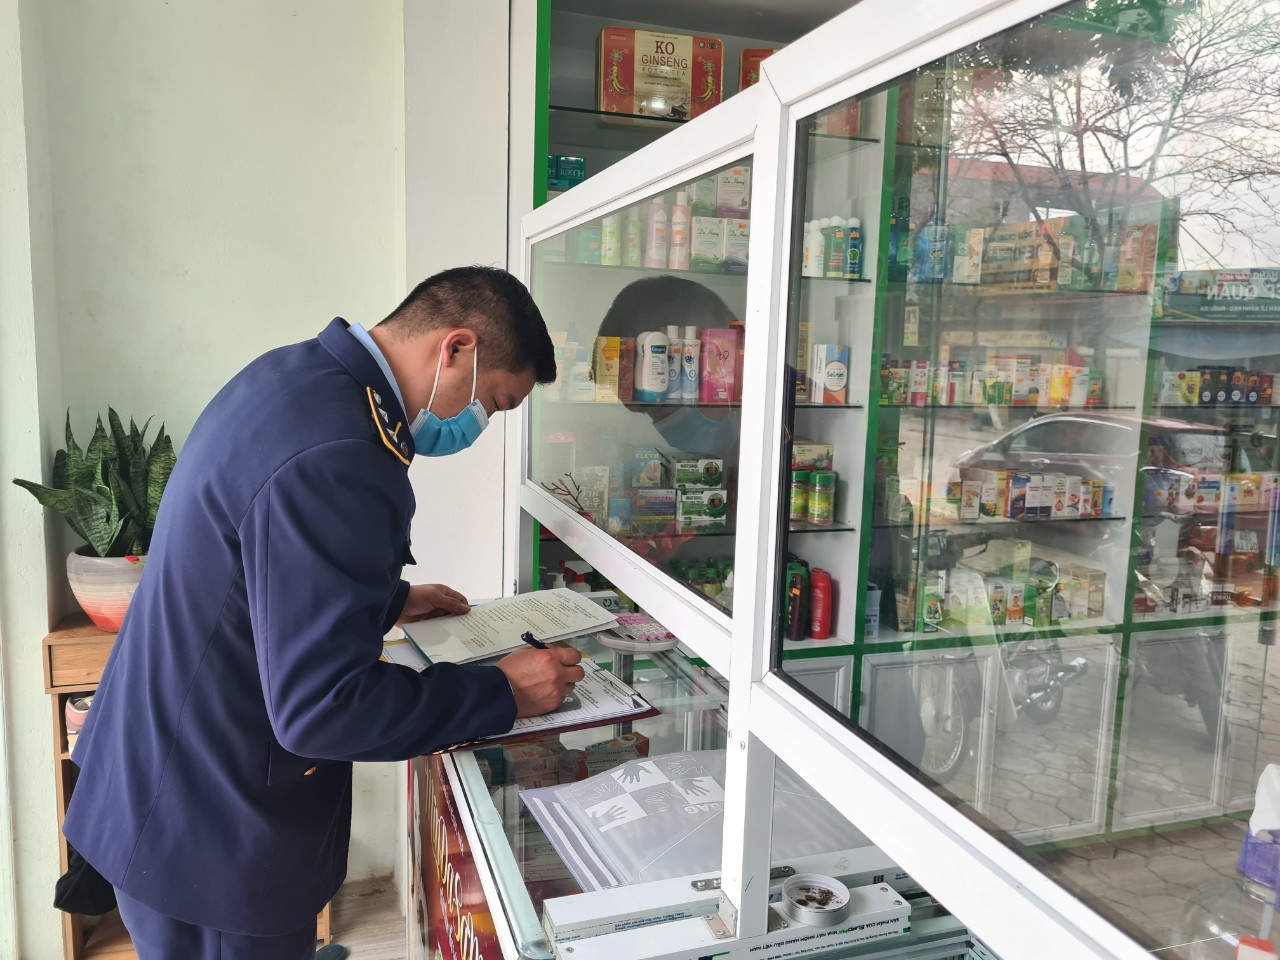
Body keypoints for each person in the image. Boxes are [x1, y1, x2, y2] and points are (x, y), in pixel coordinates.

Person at [62, 266, 586, 960]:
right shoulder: (342, 451)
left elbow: (249, 562)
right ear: (456, 348)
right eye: (494, 402)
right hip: (209, 829)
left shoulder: (296, 378)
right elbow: (321, 709)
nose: (480, 426)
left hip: (160, 777)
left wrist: (384, 599)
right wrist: (502, 692)